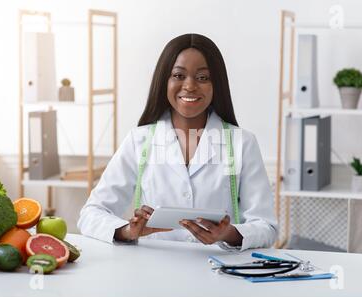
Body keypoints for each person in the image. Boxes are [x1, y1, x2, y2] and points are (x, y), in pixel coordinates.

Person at [78, 33, 277, 251]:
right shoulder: (139, 141)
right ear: (165, 80)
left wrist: (228, 233)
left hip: (218, 275)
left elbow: (266, 226)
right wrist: (127, 231)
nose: (190, 86)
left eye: (202, 77)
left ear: (216, 84)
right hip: (153, 274)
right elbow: (91, 214)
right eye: (178, 75)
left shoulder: (242, 143)